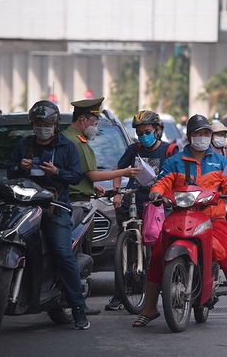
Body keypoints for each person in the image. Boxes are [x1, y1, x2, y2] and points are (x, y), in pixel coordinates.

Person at [132, 114, 227, 327]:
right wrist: (156, 192)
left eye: (206, 133)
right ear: (189, 136)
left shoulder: (221, 161)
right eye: (198, 133)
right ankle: (150, 308)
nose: (202, 137)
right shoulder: (174, 161)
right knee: (158, 256)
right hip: (180, 215)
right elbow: (162, 182)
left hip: (213, 219)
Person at [7, 100, 90, 330]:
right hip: (25, 207)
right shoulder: (24, 144)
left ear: (55, 125)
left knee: (63, 253)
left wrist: (57, 172)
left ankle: (78, 308)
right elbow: (10, 172)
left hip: (56, 207)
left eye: (46, 123)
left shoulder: (67, 147)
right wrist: (20, 168)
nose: (42, 127)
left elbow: (75, 177)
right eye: (38, 123)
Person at [62, 97, 142, 315]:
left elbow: (79, 174)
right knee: (74, 256)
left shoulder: (69, 138)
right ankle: (75, 302)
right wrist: (123, 173)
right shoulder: (76, 141)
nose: (95, 126)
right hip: (75, 205)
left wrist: (92, 185)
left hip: (78, 199)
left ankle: (73, 300)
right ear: (83, 119)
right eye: (94, 121)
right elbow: (91, 172)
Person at [105, 110, 179, 311]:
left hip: (159, 206)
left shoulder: (170, 150)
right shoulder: (134, 149)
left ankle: (169, 285)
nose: (143, 136)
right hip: (134, 202)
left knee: (162, 248)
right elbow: (117, 170)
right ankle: (120, 294)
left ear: (157, 130)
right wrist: (118, 193)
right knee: (124, 247)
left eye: (147, 131)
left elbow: (178, 177)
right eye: (139, 133)